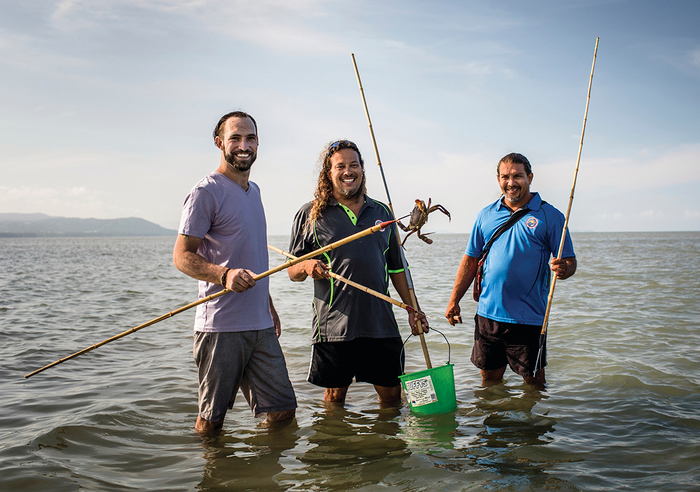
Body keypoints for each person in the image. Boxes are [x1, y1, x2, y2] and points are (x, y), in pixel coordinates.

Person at [173, 111, 296, 433]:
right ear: (219, 143)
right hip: (220, 327)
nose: (244, 145)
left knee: (283, 414)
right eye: (236, 138)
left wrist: (267, 304)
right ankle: (212, 477)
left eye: (251, 138)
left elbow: (251, 253)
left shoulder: (254, 191)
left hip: (261, 325)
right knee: (212, 423)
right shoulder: (206, 192)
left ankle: (265, 478)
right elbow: (182, 256)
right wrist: (223, 275)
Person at [287, 140, 428, 406]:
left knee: (391, 398)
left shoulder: (383, 213)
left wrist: (414, 310)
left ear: (362, 169)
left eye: (354, 165)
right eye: (340, 166)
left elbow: (398, 268)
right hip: (334, 327)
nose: (348, 171)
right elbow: (292, 271)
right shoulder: (311, 214)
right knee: (334, 399)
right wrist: (307, 266)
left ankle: (386, 446)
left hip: (381, 323)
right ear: (329, 173)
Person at [444, 153, 577, 387]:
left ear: (530, 177)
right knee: (490, 383)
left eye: (517, 176)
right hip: (488, 315)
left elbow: (569, 262)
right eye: (505, 176)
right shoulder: (485, 215)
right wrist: (454, 300)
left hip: (529, 318)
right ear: (498, 179)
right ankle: (494, 421)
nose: (511, 182)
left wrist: (564, 268)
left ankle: (528, 425)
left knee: (534, 385)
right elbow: (470, 261)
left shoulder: (551, 216)